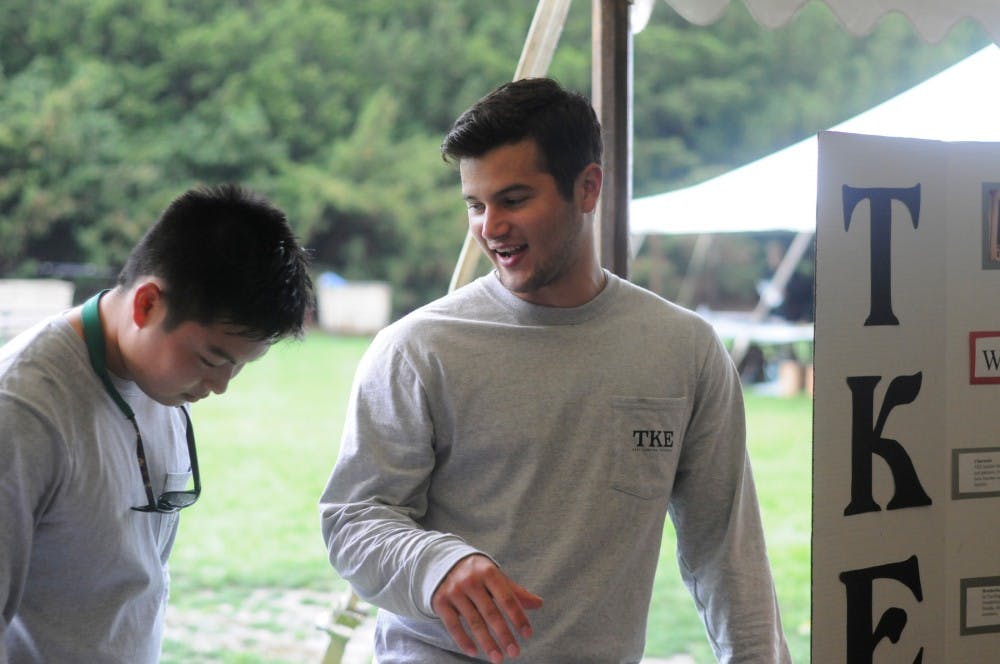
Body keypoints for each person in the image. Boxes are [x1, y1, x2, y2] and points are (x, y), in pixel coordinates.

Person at [319, 78, 790, 663]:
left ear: (588, 188)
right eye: (475, 204)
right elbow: (353, 518)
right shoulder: (418, 348)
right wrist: (436, 564)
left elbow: (726, 546)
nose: (490, 227)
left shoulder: (684, 349)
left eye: (513, 200)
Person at [0, 184, 313, 663]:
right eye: (212, 358)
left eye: (241, 366)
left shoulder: (158, 381)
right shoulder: (24, 410)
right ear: (146, 304)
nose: (221, 385)